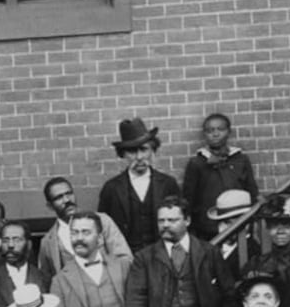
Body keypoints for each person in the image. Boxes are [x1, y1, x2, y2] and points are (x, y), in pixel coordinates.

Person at [47, 211, 131, 307]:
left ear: (99, 239)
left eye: (86, 232)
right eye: (74, 233)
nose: (79, 238)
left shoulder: (122, 267)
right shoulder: (60, 281)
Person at [98, 118, 182, 254]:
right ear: (123, 154)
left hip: (163, 256)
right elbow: (103, 230)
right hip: (127, 259)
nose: (139, 157)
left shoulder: (168, 184)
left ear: (152, 150)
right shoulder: (111, 189)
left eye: (144, 149)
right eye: (132, 151)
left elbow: (180, 224)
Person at [37, 177, 131, 287]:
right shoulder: (47, 243)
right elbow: (47, 282)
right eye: (59, 197)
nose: (67, 200)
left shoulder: (103, 221)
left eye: (69, 193)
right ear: (50, 206)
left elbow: (125, 258)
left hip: (110, 290)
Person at [181, 112, 259, 241]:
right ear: (204, 134)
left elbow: (252, 190)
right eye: (210, 131)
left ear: (229, 131)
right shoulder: (197, 163)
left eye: (220, 129)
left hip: (239, 224)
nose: (215, 134)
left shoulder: (241, 160)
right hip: (207, 228)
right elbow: (189, 198)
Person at [207, 189, 263, 277]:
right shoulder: (215, 248)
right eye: (220, 222)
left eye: (228, 222)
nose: (222, 228)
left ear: (246, 224)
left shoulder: (252, 251)